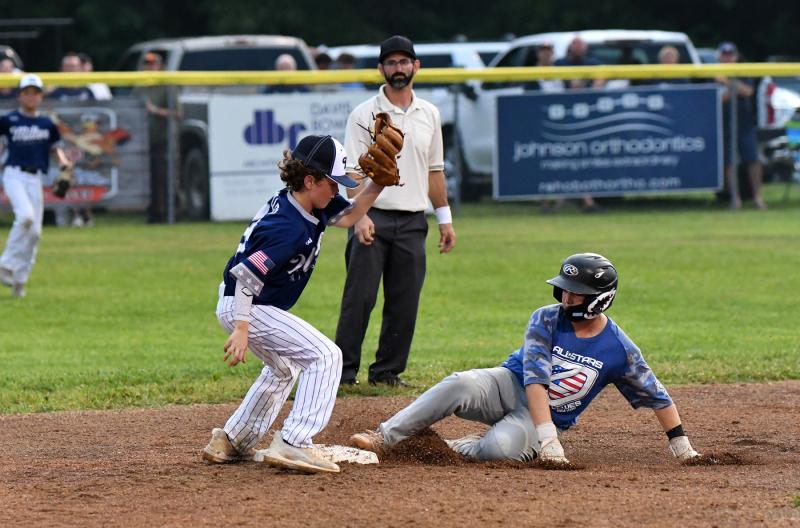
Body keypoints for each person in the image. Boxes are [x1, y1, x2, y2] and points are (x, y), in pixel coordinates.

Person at [350, 253, 701, 465]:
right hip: (509, 384)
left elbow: (658, 396)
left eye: (576, 294)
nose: (565, 298)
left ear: (599, 300)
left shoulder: (619, 350)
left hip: (544, 417)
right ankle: (385, 436)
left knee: (500, 450)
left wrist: (682, 447)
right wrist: (549, 442)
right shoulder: (545, 317)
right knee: (460, 383)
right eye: (564, 289)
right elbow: (535, 379)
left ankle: (456, 446)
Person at [201, 135, 388, 474]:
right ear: (309, 180)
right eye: (332, 184)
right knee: (326, 356)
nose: (337, 191)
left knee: (284, 367)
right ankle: (295, 442)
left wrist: (377, 185)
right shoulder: (285, 226)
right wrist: (242, 328)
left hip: (252, 304)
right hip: (247, 304)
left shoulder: (306, 203)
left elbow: (348, 216)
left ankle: (231, 440)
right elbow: (245, 276)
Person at [334, 35, 456, 387]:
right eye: (391, 63)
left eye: (405, 62)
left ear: (416, 66)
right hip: (375, 216)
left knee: (404, 302)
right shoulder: (363, 113)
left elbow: (435, 170)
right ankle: (342, 373)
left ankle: (387, 373)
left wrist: (444, 218)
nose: (398, 68)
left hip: (413, 219)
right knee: (360, 298)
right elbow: (352, 173)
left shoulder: (429, 113)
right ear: (381, 68)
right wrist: (360, 215)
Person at [0, 74, 73, 298]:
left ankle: (20, 280)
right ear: (20, 96)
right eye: (27, 92)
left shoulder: (47, 124)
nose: (31, 97)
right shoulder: (8, 120)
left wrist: (64, 164)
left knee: (35, 234)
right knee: (25, 217)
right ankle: (5, 264)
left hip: (35, 178)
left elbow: (55, 148)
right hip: (14, 174)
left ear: (41, 96)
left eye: (35, 92)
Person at [553, 36, 603, 213]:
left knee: (581, 159)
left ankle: (582, 199)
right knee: (566, 160)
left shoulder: (592, 63)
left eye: (581, 46)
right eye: (576, 45)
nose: (579, 49)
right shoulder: (560, 63)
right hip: (562, 120)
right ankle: (564, 199)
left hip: (586, 119)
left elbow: (601, 77)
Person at [716, 41, 766, 210]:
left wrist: (728, 83)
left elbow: (748, 91)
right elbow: (719, 99)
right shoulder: (712, 72)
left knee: (752, 159)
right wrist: (733, 87)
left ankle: (758, 197)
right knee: (728, 162)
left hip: (744, 122)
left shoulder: (744, 71)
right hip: (723, 122)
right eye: (724, 54)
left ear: (736, 57)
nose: (728, 57)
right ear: (719, 56)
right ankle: (735, 199)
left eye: (730, 54)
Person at [132, 52, 180, 223]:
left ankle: (171, 213)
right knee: (149, 179)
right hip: (144, 141)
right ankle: (154, 214)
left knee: (165, 178)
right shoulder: (139, 87)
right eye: (146, 63)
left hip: (163, 139)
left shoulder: (167, 86)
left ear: (160, 66)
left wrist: (156, 111)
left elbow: (179, 114)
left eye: (153, 64)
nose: (149, 67)